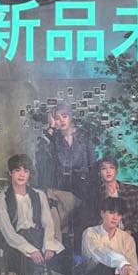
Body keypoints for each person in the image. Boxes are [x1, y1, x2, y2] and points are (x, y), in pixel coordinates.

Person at [39, 102, 97, 246]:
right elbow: (41, 155)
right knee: (50, 205)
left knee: (80, 217)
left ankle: (69, 248)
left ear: (71, 116)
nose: (61, 121)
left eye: (64, 116)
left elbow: (93, 165)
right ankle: (57, 248)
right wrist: (51, 128)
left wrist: (93, 188)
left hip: (83, 188)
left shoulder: (84, 137)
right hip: (62, 187)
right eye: (57, 118)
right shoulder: (54, 139)